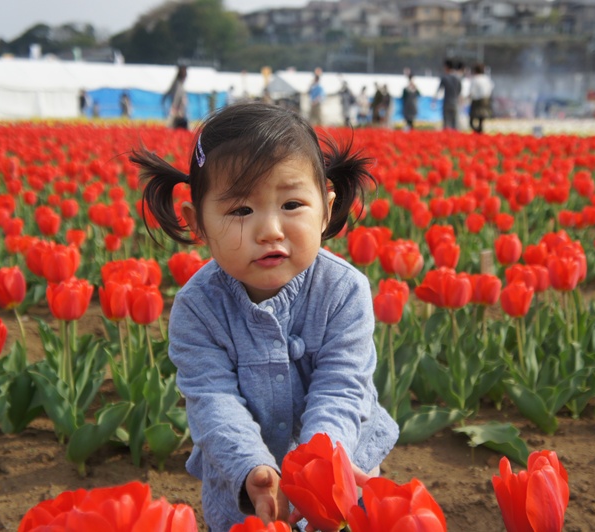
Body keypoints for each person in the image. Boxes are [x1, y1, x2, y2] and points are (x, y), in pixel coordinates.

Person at [130, 102, 399, 532]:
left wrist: (316, 471)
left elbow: (342, 390)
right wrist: (250, 465)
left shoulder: (344, 291)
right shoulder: (198, 308)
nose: (270, 229)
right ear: (197, 224)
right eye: (241, 211)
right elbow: (211, 398)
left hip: (339, 475)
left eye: (292, 204)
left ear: (326, 209)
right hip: (245, 487)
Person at [434, 58, 463, 130]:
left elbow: (439, 90)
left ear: (447, 67)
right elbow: (460, 91)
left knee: (447, 122)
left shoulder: (445, 78)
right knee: (455, 122)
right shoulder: (458, 78)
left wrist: (434, 101)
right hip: (455, 102)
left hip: (447, 102)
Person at [469, 63, 494, 134]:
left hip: (476, 100)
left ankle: (477, 130)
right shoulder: (487, 79)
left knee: (472, 117)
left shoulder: (475, 79)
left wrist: (468, 98)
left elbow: (472, 91)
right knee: (481, 117)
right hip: (486, 99)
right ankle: (480, 130)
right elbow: (491, 88)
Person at [164, 65, 188, 130]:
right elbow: (177, 96)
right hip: (177, 109)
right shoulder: (178, 84)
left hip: (179, 108)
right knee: (173, 125)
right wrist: (174, 107)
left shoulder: (178, 83)